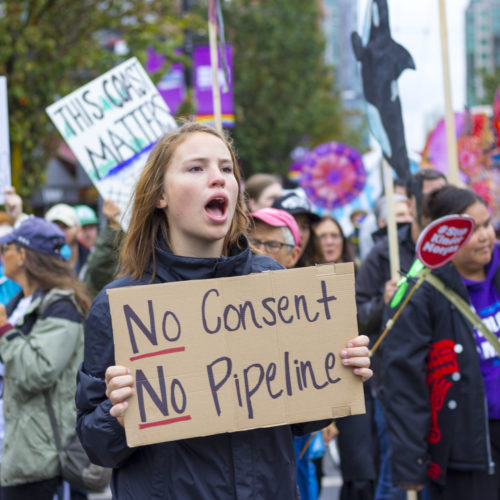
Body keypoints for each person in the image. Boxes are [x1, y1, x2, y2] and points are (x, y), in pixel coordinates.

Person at [75, 122, 372, 499]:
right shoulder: (120, 307)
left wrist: (338, 370)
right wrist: (117, 415)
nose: (217, 178)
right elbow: (96, 447)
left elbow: (300, 421)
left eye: (227, 169)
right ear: (160, 195)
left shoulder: (271, 283)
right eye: (196, 168)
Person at [380, 185, 500, 499]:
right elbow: (403, 381)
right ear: (445, 236)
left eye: (488, 224)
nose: (486, 236)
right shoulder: (418, 293)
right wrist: (410, 464)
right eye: (472, 230)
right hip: (465, 451)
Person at [356, 168, 447, 500]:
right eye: (429, 197)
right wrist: (383, 301)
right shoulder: (384, 254)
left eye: (444, 195)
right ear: (409, 204)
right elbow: (355, 317)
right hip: (396, 384)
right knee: (399, 478)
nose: (439, 204)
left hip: (444, 380)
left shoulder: (454, 251)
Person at [0, 217, 90, 499]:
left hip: (37, 456)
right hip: (13, 446)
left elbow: (35, 370)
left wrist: (4, 329)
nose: (3, 255)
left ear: (24, 255)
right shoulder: (19, 303)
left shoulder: (62, 307)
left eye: (8, 248)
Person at [272, 191, 325, 267]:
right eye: (291, 225)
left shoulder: (319, 270)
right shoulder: (256, 267)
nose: (299, 234)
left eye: (305, 227)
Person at [45, 203, 89, 279]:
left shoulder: (90, 259)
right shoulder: (40, 264)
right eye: (53, 227)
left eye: (65, 227)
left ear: (78, 229)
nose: (59, 232)